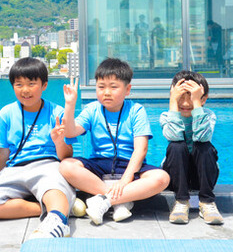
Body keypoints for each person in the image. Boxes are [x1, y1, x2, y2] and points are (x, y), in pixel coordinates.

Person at [59, 58, 169, 225]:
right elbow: (70, 132)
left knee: (162, 178)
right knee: (66, 166)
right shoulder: (92, 109)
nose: (106, 92)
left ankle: (103, 201)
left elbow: (141, 150)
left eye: (113, 87)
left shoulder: (136, 111)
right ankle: (120, 201)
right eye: (101, 87)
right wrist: (70, 104)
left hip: (129, 165)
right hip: (99, 163)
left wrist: (125, 179)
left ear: (127, 89)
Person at [0, 58, 76, 239]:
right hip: (15, 168)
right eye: (19, 84)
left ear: (44, 85)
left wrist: (59, 141)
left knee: (55, 188)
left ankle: (57, 221)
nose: (25, 90)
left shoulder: (57, 113)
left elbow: (66, 156)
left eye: (31, 84)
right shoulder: (6, 113)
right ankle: (47, 208)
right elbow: (3, 152)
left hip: (47, 165)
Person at [160, 70, 223, 225]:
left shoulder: (208, 115)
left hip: (202, 177)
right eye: (181, 96)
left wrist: (197, 106)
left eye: (192, 97)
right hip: (175, 175)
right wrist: (173, 104)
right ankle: (181, 201)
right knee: (176, 146)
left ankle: (207, 202)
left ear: (203, 99)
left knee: (204, 146)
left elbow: (203, 137)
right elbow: (173, 136)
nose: (186, 103)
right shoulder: (166, 116)